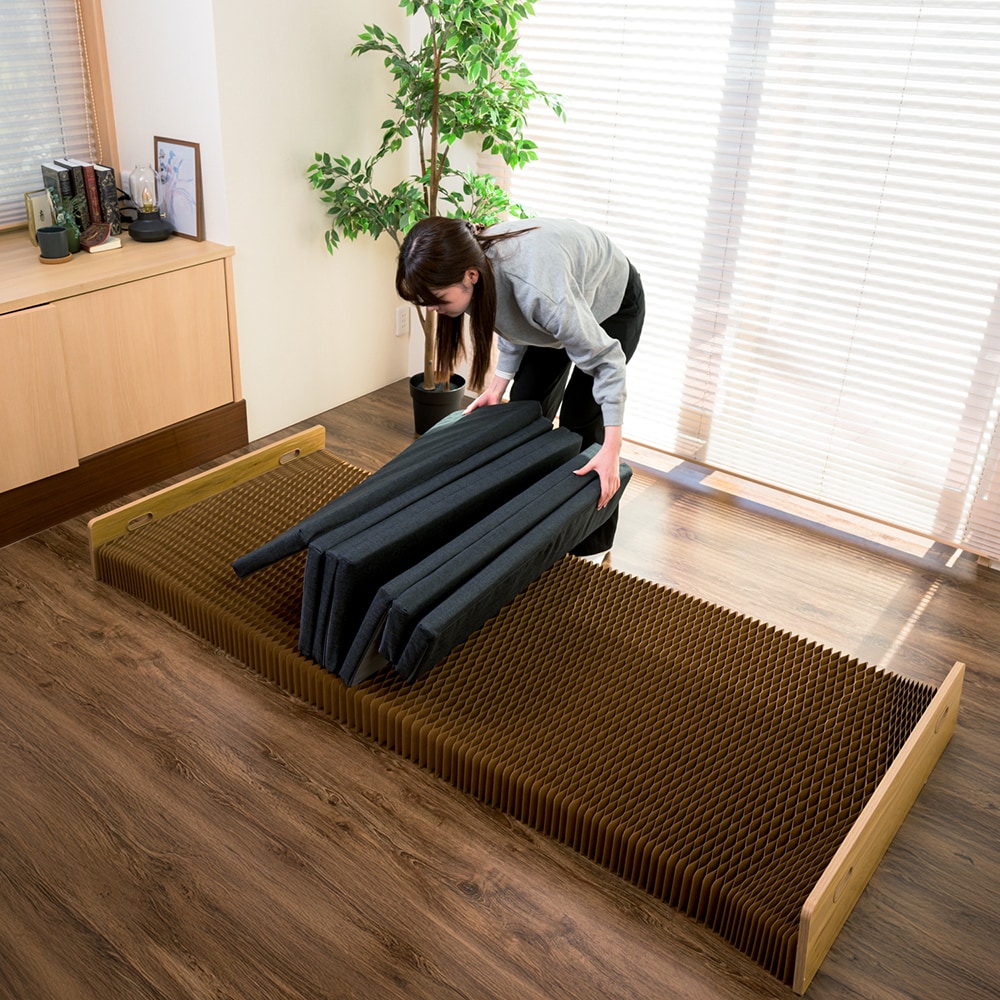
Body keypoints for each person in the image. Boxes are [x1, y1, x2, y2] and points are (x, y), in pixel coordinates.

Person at [395, 216, 645, 559]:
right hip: (560, 302)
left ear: (470, 276)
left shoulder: (539, 291)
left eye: (437, 299)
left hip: (611, 302)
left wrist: (612, 448)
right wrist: (497, 387)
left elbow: (607, 362)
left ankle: (591, 547)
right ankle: (533, 516)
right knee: (526, 408)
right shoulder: (476, 271)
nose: (433, 309)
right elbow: (511, 320)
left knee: (582, 425)